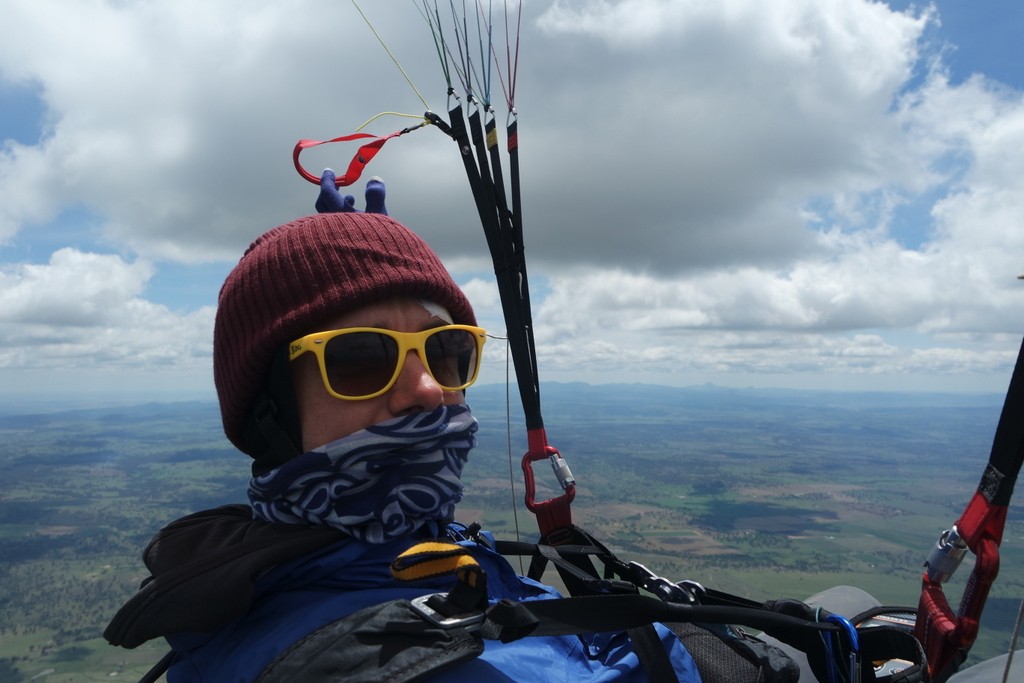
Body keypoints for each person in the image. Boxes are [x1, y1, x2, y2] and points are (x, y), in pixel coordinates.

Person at [104, 180, 703, 682]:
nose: (425, 389)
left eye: (444, 351)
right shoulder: (370, 661)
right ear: (271, 415)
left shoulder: (403, 556)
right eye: (360, 358)